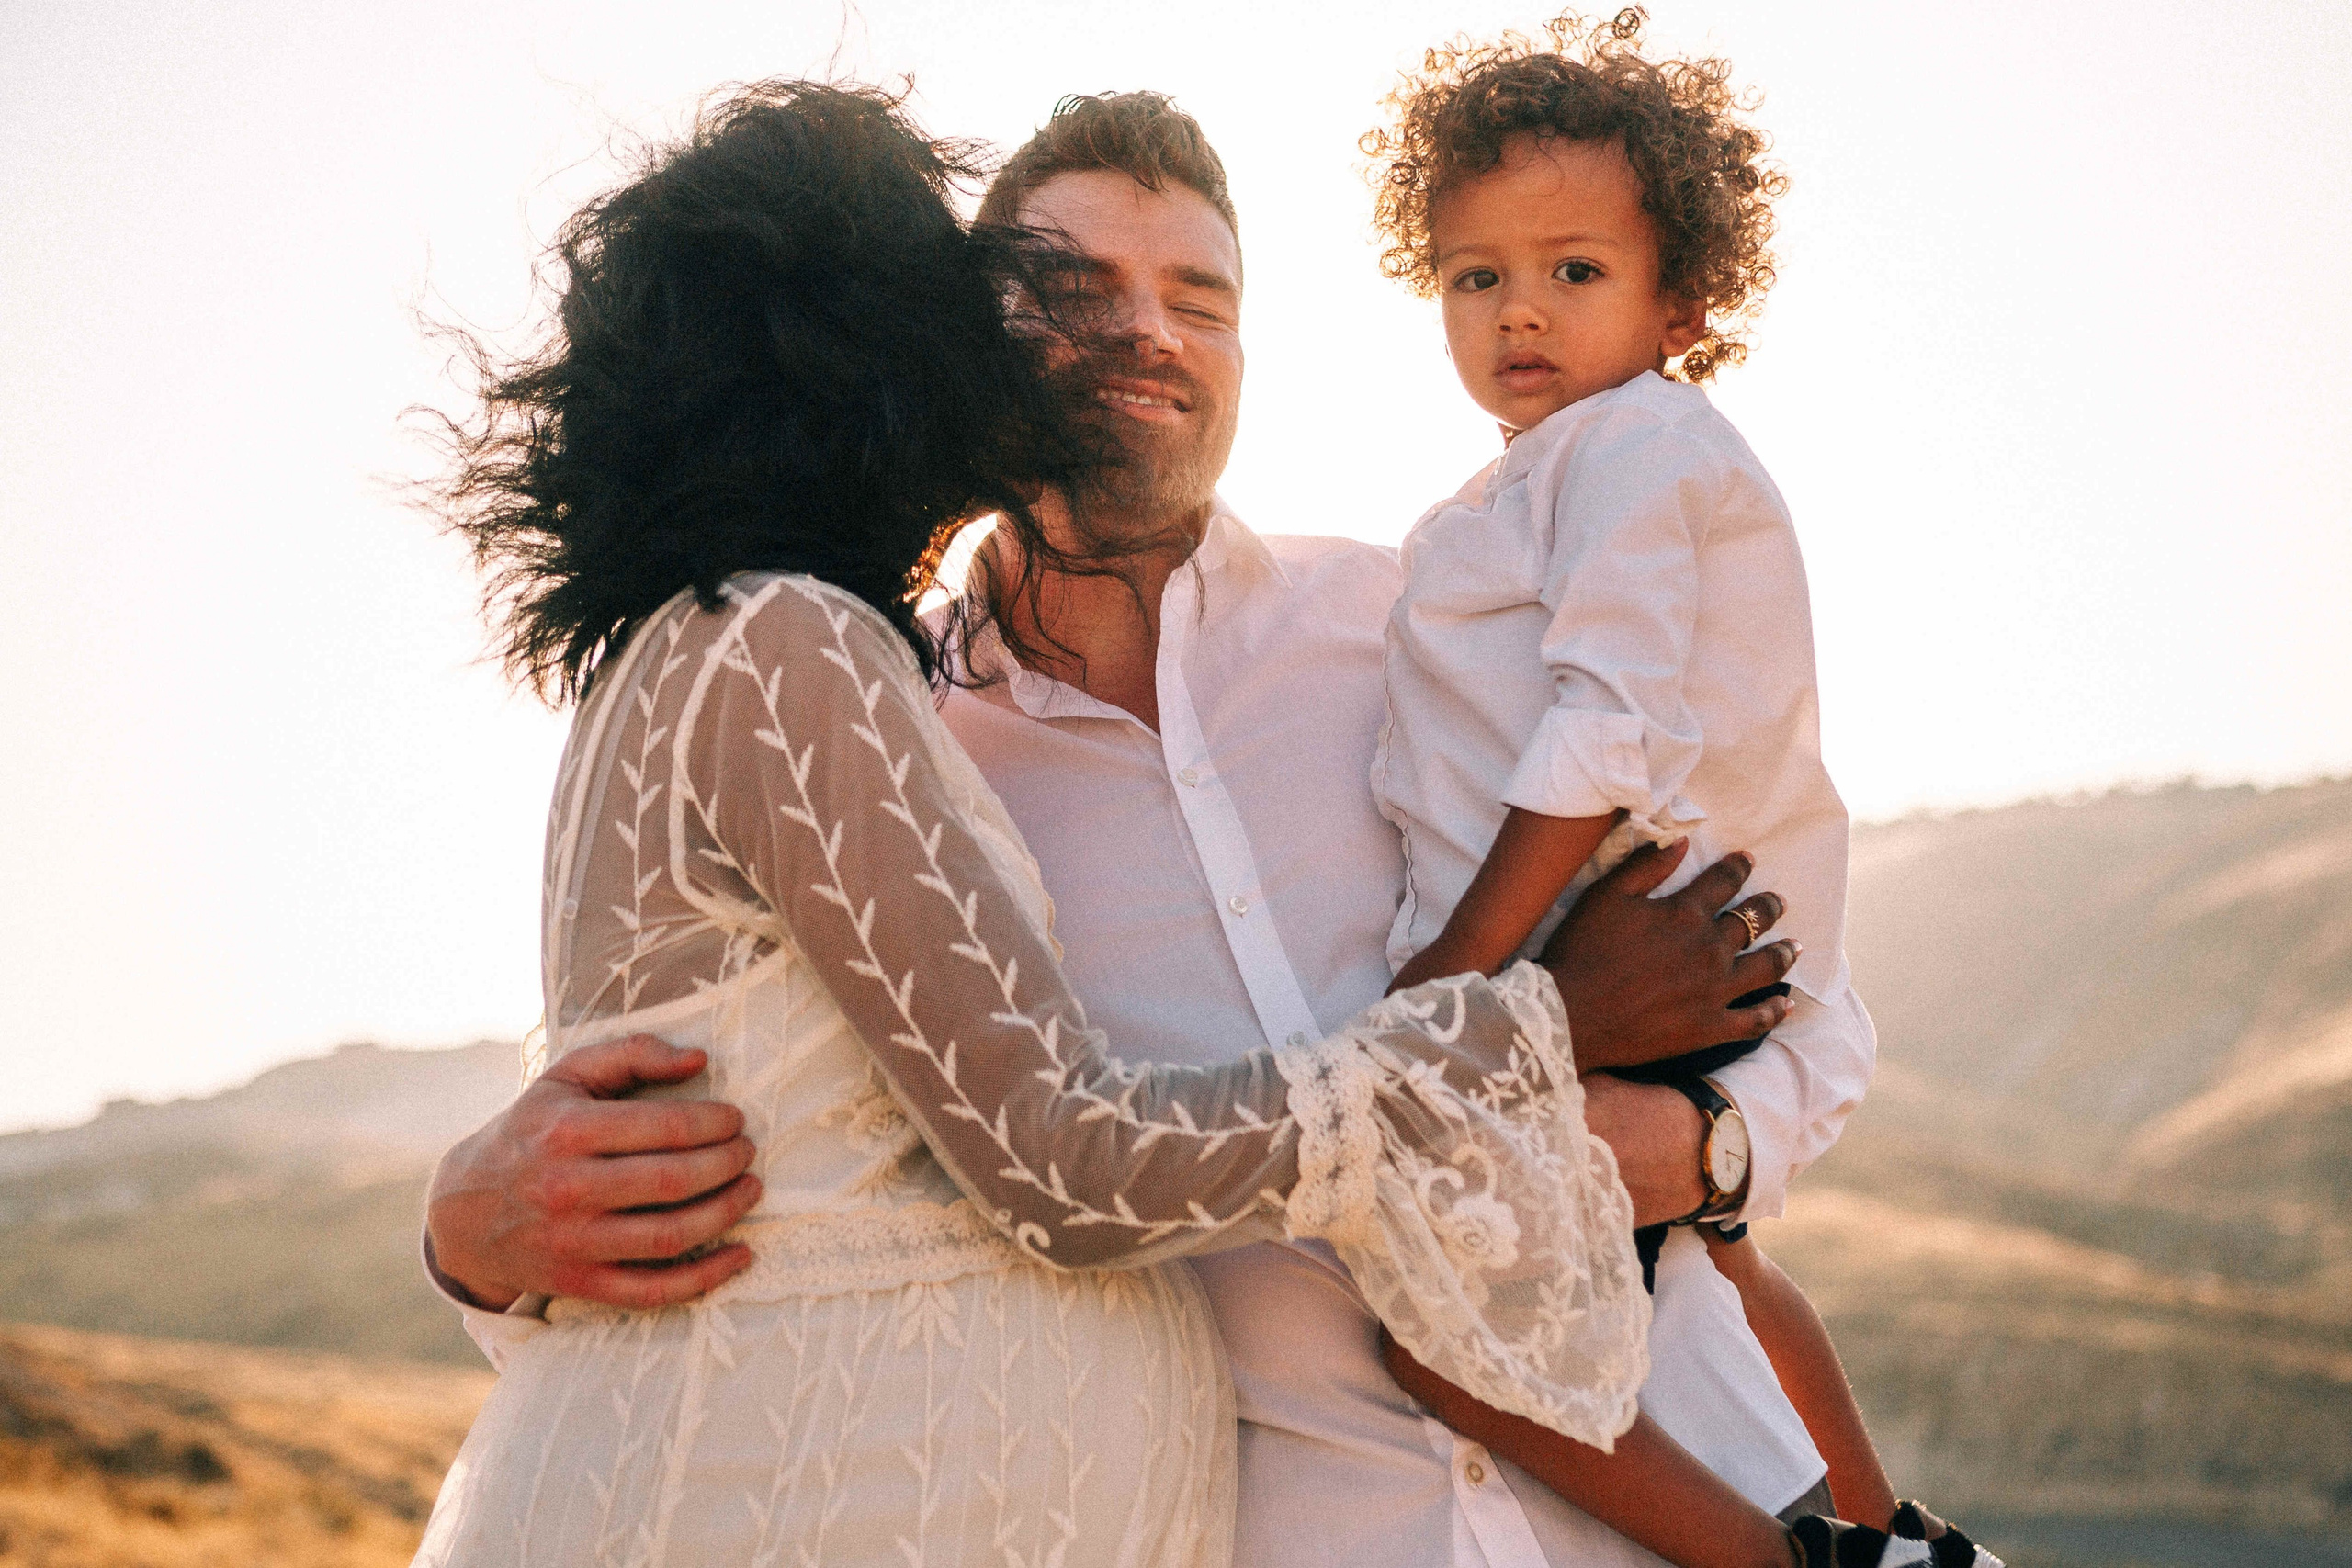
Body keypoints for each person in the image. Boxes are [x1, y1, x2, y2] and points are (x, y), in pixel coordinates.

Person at [424, 89, 1840, 1568]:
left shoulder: (1428, 627)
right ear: (958, 344)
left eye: (1199, 301)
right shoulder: (896, 745)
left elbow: (1771, 935)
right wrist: (470, 1241)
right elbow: (707, 1105)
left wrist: (1722, 1143)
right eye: (1075, 292)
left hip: (1677, 1509)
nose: (1150, 336)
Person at [1363, 13, 1999, 1568]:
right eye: (1476, 274)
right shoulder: (1544, 472)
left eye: (1576, 271)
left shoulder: (1638, 451)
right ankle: (1876, 1534)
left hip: (1652, 944)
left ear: (1683, 294)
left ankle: (1802, 1560)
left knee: (1441, 1335)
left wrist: (1455, 983)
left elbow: (1608, 732)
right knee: (1709, 1282)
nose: (1521, 311)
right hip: (1642, 962)